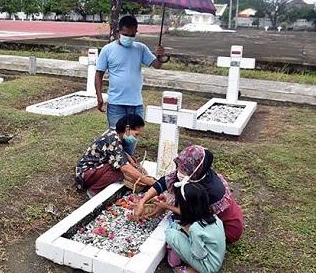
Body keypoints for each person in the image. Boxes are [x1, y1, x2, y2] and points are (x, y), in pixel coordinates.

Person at [134, 145, 244, 244]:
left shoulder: (211, 190)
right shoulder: (192, 173)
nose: (179, 171)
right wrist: (142, 201)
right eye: (179, 166)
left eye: (183, 169)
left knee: (180, 233)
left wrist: (166, 206)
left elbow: (194, 213)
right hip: (204, 214)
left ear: (196, 169)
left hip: (228, 228)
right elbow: (163, 182)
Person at [95, 15, 166, 153]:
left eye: (132, 35)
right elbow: (99, 74)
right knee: (117, 141)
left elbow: (157, 65)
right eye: (125, 34)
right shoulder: (108, 50)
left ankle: (128, 165)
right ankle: (118, 169)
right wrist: (99, 97)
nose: (129, 37)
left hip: (136, 104)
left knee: (131, 140)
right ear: (118, 32)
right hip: (116, 104)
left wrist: (160, 56)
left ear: (136, 32)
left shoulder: (140, 48)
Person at [75, 114, 155, 197]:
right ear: (127, 129)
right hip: (85, 175)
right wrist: (148, 181)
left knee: (125, 163)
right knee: (118, 169)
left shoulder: (114, 133)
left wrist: (130, 160)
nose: (136, 138)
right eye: (136, 134)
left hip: (92, 170)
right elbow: (124, 167)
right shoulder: (112, 140)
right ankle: (94, 191)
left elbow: (117, 151)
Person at [164, 183, 226, 273]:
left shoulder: (195, 229)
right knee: (177, 227)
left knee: (171, 234)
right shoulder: (215, 218)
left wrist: (188, 241)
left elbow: (199, 255)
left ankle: (190, 269)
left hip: (208, 267)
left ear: (186, 207)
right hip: (216, 259)